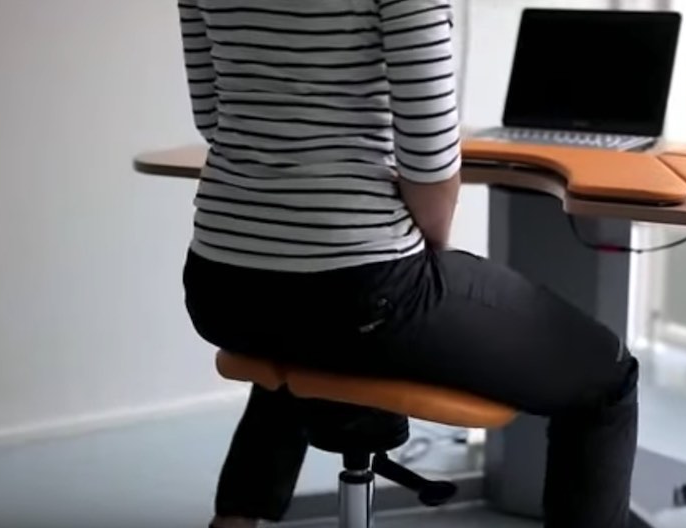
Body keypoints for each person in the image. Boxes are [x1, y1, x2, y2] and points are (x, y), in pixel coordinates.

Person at [177, 1, 639, 527]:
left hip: (220, 286)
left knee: (304, 322)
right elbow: (430, 152)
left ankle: (235, 519)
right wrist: (428, 247)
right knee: (606, 376)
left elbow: (212, 117)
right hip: (357, 289)